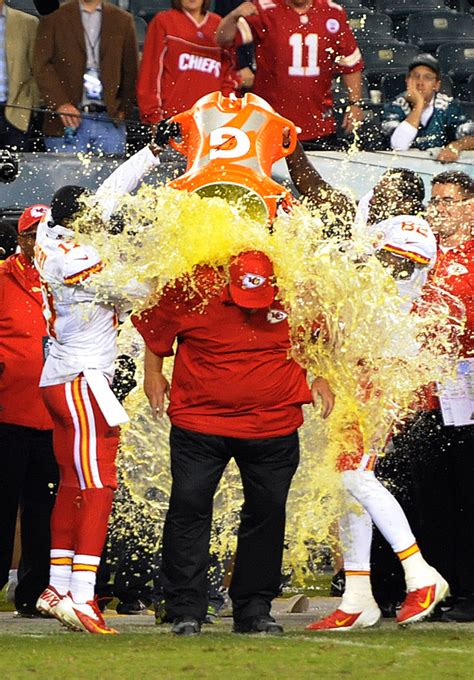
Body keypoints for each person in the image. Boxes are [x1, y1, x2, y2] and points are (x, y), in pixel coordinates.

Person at [132, 250, 335, 636]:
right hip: (200, 423)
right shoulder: (193, 286)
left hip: (273, 426)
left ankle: (254, 608)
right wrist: (153, 372)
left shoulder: (297, 291)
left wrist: (321, 377)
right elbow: (156, 328)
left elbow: (319, 337)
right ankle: (185, 608)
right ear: (227, 279)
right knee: (188, 506)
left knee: (268, 512)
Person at [34, 134, 171, 634]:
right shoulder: (75, 258)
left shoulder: (54, 234)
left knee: (73, 483)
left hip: (63, 379)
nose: (102, 215)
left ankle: (57, 584)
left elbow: (107, 196)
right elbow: (138, 291)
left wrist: (149, 153)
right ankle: (84, 596)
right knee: (98, 485)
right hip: (83, 380)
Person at [306, 214, 451, 631]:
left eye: (407, 264)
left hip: (379, 373)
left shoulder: (386, 289)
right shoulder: (372, 276)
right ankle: (357, 596)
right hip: (360, 371)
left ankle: (419, 571)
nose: (396, 270)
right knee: (346, 484)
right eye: (392, 260)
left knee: (354, 477)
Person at [391, 170, 473, 623]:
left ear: (471, 206)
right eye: (434, 201)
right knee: (431, 497)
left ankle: (470, 590)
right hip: (423, 392)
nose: (438, 210)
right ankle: (438, 589)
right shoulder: (424, 253)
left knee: (467, 492)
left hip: (467, 385)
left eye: (448, 201)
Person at [0, 205, 59, 617]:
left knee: (44, 509)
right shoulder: (0, 278)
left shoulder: (69, 276)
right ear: (19, 240)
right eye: (30, 234)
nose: (38, 241)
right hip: (6, 413)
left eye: (45, 233)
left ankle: (34, 593)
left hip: (56, 416)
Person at [216, 0, 364, 147]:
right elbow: (222, 40)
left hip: (318, 124)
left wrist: (355, 104)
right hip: (268, 124)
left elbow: (350, 62)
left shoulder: (332, 12)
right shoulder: (264, 9)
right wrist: (234, 16)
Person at [33, 0, 138, 154]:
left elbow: (130, 70)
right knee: (65, 177)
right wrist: (61, 104)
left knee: (113, 178)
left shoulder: (122, 20)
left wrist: (123, 110)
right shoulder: (55, 17)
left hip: (109, 121)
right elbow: (41, 66)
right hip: (66, 122)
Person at [137, 0, 240, 126]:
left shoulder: (219, 25)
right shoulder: (164, 21)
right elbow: (150, 75)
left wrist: (227, 117)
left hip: (213, 125)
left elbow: (228, 78)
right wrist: (155, 119)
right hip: (173, 122)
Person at [382, 54, 474, 163]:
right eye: (416, 76)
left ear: (436, 85)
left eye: (427, 77)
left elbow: (471, 137)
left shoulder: (449, 107)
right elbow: (399, 146)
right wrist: (419, 105)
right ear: (407, 81)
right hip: (402, 166)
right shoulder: (394, 107)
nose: (420, 83)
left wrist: (456, 146)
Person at [0, 0, 40, 150]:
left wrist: (31, 105)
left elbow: (36, 69)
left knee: (18, 169)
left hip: (17, 112)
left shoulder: (27, 23)